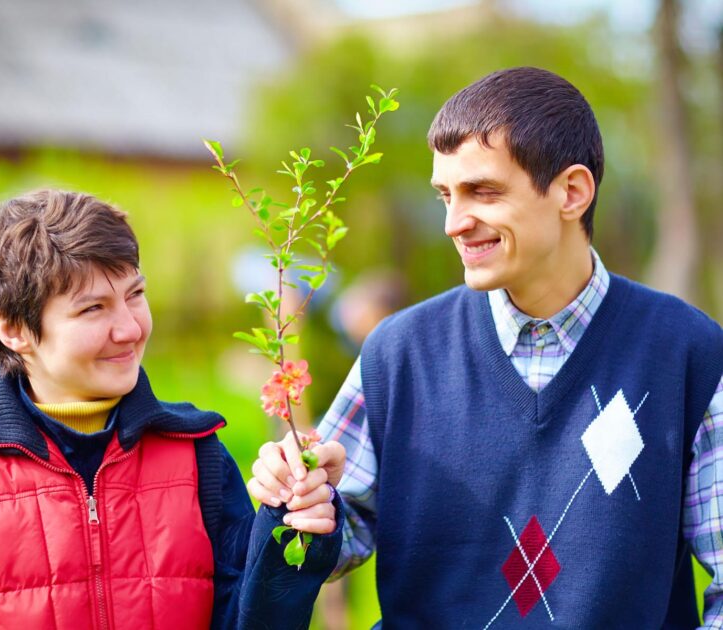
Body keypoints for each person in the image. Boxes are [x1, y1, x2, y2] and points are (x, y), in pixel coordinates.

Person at [247, 67, 723, 627]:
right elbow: (336, 539)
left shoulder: (687, 354)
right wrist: (304, 496)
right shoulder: (399, 354)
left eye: (483, 192)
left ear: (572, 192)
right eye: (445, 196)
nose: (454, 223)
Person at [0, 189, 342, 629]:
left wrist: (292, 518)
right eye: (93, 308)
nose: (130, 329)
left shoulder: (201, 457)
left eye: (135, 294)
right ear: (13, 328)